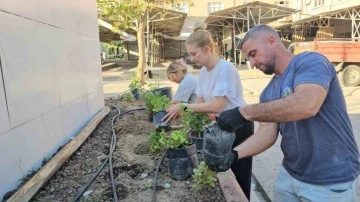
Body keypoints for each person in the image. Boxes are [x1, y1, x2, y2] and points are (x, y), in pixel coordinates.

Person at [216, 24, 360, 202]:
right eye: (249, 58)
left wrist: (244, 113)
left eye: (253, 54)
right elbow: (267, 133)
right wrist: (233, 155)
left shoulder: (310, 62)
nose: (252, 64)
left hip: (329, 180)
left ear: (271, 41)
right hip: (290, 175)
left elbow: (307, 104)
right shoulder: (268, 93)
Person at [162, 23, 254, 200]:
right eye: (189, 54)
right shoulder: (203, 72)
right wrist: (183, 117)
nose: (191, 59)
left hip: (239, 126)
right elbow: (200, 103)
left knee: (239, 174)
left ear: (207, 49)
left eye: (194, 53)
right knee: (224, 169)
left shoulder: (224, 69)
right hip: (222, 126)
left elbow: (216, 105)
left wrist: (183, 106)